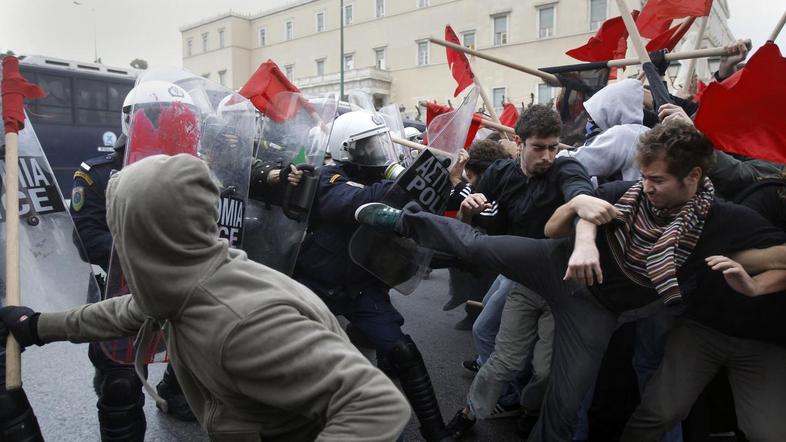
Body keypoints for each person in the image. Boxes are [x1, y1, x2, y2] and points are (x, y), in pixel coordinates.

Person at [354, 121, 786, 441]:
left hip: (595, 310)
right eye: (645, 178)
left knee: (564, 400)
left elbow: (779, 256)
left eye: (658, 180)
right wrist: (584, 232)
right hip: (553, 262)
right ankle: (405, 222)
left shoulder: (724, 221)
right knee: (480, 246)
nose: (647, 188)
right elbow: (559, 225)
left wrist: (755, 284)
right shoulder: (625, 193)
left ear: (693, 178)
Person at [0, 154, 411, 441]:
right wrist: (36, 326)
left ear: (140, 235)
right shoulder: (186, 279)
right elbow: (127, 311)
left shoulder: (243, 321)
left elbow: (374, 404)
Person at [435, 105, 597, 438]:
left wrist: (584, 238)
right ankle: (471, 412)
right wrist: (467, 211)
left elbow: (581, 196)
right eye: (540, 147)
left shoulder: (565, 168)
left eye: (554, 146)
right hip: (522, 276)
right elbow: (471, 220)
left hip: (564, 285)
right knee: (496, 349)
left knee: (546, 369)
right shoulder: (499, 173)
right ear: (518, 142)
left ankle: (529, 406)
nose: (549, 156)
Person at [292, 109, 449, 441]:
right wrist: (410, 180)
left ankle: (436, 432)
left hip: (361, 286)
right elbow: (358, 201)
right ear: (348, 149)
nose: (378, 154)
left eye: (380, 145)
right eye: (369, 147)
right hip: (317, 284)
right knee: (298, 357)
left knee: (403, 352)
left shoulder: (380, 182)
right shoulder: (327, 178)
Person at [69, 82, 197, 441]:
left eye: (178, 118)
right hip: (120, 292)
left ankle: (173, 391)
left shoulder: (193, 169)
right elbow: (87, 239)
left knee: (196, 362)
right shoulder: (97, 173)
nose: (168, 125)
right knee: (120, 385)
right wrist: (150, 248)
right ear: (132, 119)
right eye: (156, 117)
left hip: (179, 291)